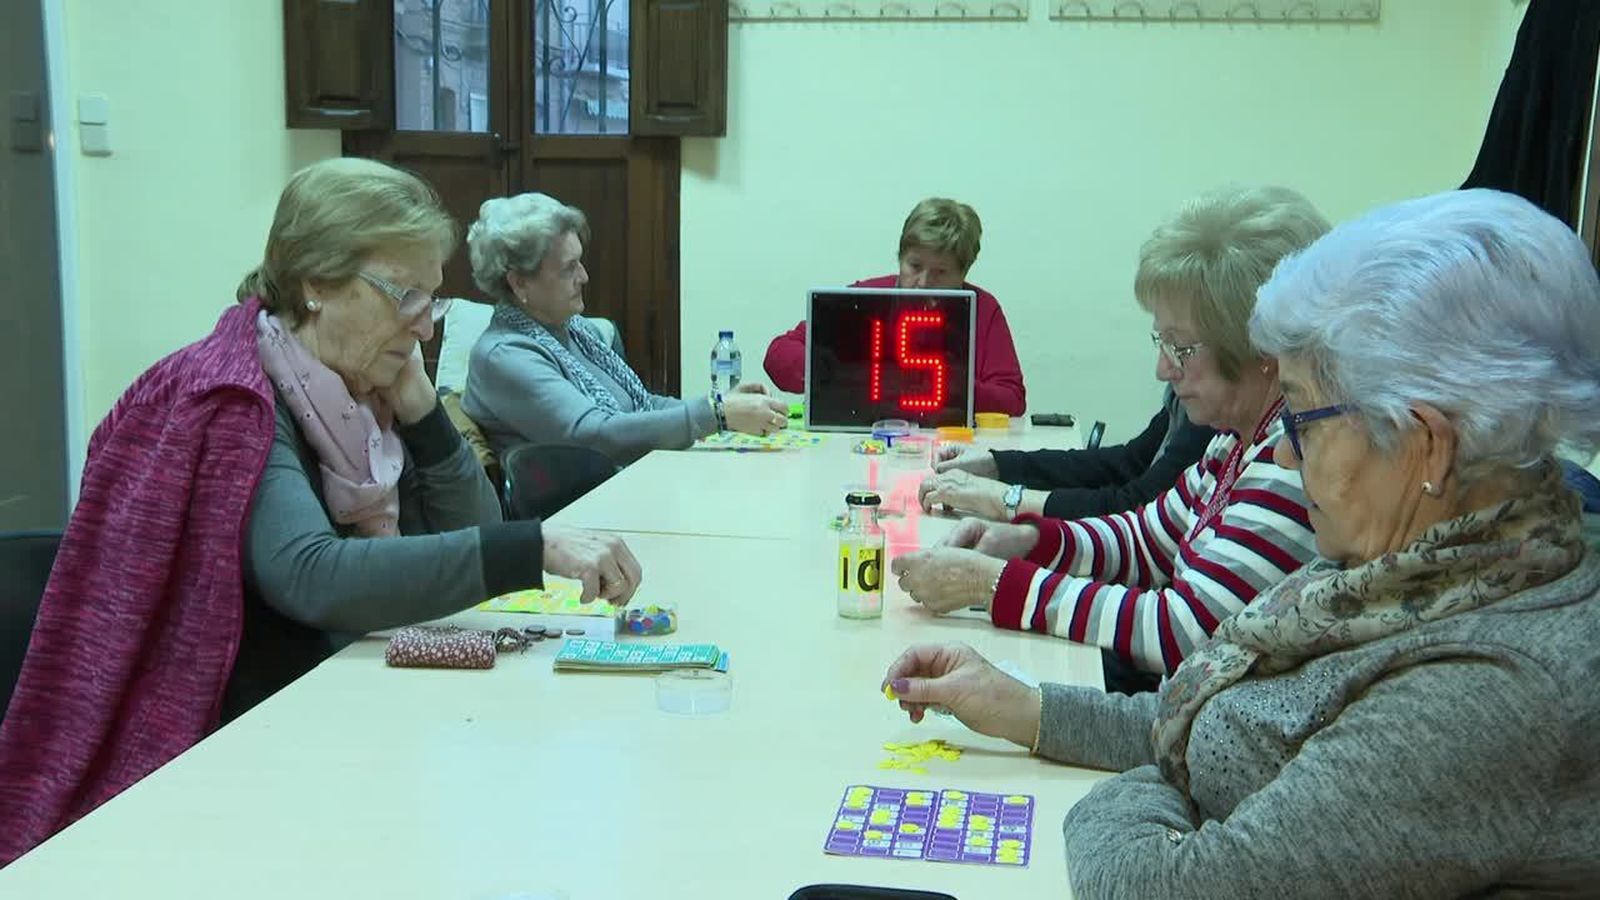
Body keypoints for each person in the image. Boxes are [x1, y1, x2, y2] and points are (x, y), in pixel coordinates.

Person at [881, 188, 1600, 898]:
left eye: (1306, 420)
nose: (1285, 456)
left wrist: (1166, 788)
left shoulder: (1480, 692)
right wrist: (1020, 707)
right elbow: (1222, 714)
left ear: (1426, 447)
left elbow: (1159, 883)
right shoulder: (1411, 563)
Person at [0, 159, 641, 865]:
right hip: (217, 761)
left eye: (432, 298)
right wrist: (534, 548)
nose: (425, 326)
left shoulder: (359, 388)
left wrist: (427, 418)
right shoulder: (234, 397)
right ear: (315, 284)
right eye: (405, 295)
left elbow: (472, 527)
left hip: (331, 717)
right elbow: (311, 576)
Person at [891, 186, 1326, 678]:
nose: (1164, 369)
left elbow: (1179, 631)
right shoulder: (1236, 441)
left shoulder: (1293, 463)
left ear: (1259, 348)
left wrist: (993, 584)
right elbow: (1146, 539)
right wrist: (1026, 541)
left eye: (1180, 348)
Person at [462, 193, 788, 466]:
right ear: (519, 282)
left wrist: (721, 403)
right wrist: (715, 414)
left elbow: (641, 407)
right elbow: (594, 435)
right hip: (573, 521)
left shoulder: (574, 330)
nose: (584, 277)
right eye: (568, 268)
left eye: (580, 261)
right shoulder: (505, 355)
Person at [762, 197, 1027, 416]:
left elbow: (1012, 400)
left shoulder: (983, 310)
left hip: (950, 447)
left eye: (940, 272)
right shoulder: (864, 300)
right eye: (914, 266)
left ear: (963, 272)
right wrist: (830, 370)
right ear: (900, 257)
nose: (923, 283)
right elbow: (777, 354)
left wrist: (949, 385)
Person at [920, 386, 1214, 520]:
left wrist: (1000, 498)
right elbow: (1128, 463)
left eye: (1179, 344)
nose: (1161, 369)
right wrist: (996, 465)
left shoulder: (1212, 423)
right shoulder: (1192, 394)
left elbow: (1137, 509)